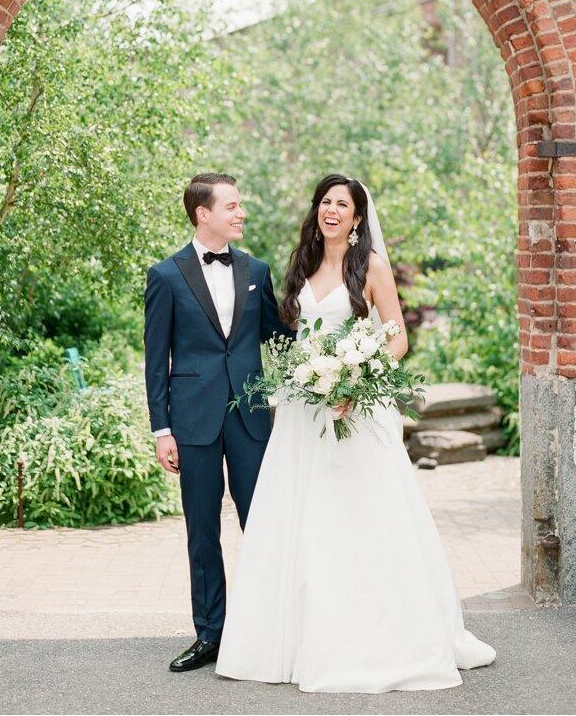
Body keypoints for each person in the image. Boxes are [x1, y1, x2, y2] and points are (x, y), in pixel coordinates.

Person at [215, 174, 496, 692]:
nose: (332, 210)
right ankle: (287, 638)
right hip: (304, 413)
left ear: (358, 217)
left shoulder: (372, 268)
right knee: (298, 516)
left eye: (342, 204)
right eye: (325, 202)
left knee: (360, 518)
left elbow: (398, 340)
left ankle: (369, 636)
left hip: (353, 410)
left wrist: (357, 377)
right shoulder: (301, 265)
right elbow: (295, 336)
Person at [143, 172, 293, 673]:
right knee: (202, 531)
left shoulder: (257, 269)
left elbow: (280, 338)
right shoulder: (165, 276)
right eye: (231, 206)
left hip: (251, 419)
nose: (241, 213)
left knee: (263, 524)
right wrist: (161, 429)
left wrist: (333, 359)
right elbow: (155, 359)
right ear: (202, 213)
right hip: (194, 422)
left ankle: (271, 628)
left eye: (240, 205)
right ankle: (210, 635)